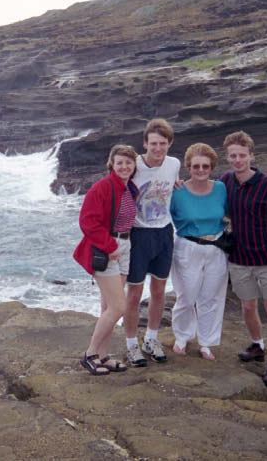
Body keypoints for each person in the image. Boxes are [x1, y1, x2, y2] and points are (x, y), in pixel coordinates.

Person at [221, 130, 267, 387]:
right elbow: (207, 197)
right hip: (240, 257)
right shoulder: (226, 181)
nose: (237, 160)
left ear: (251, 155)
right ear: (227, 157)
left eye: (242, 155)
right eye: (233, 156)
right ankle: (257, 346)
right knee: (248, 307)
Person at [73, 144, 139, 375]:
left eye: (128, 163)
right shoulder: (102, 187)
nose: (124, 167)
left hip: (125, 246)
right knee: (119, 307)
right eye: (120, 163)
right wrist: (109, 246)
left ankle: (102, 356)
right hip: (108, 248)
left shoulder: (130, 187)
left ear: (134, 165)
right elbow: (87, 221)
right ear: (112, 164)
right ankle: (90, 354)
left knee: (108, 306)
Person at [124, 119, 180, 367]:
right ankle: (131, 344)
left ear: (169, 144)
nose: (158, 148)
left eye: (163, 143)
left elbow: (173, 187)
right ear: (145, 143)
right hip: (139, 234)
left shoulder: (174, 164)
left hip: (164, 233)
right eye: (153, 143)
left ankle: (151, 339)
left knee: (158, 292)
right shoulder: (133, 165)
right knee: (134, 294)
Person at [169, 143, 229, 361]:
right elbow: (158, 215)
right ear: (188, 167)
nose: (201, 170)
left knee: (211, 297)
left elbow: (234, 212)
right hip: (187, 247)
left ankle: (206, 342)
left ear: (212, 167)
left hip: (217, 248)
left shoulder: (221, 189)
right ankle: (182, 337)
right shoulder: (177, 192)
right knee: (186, 296)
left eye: (205, 166)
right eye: (196, 166)